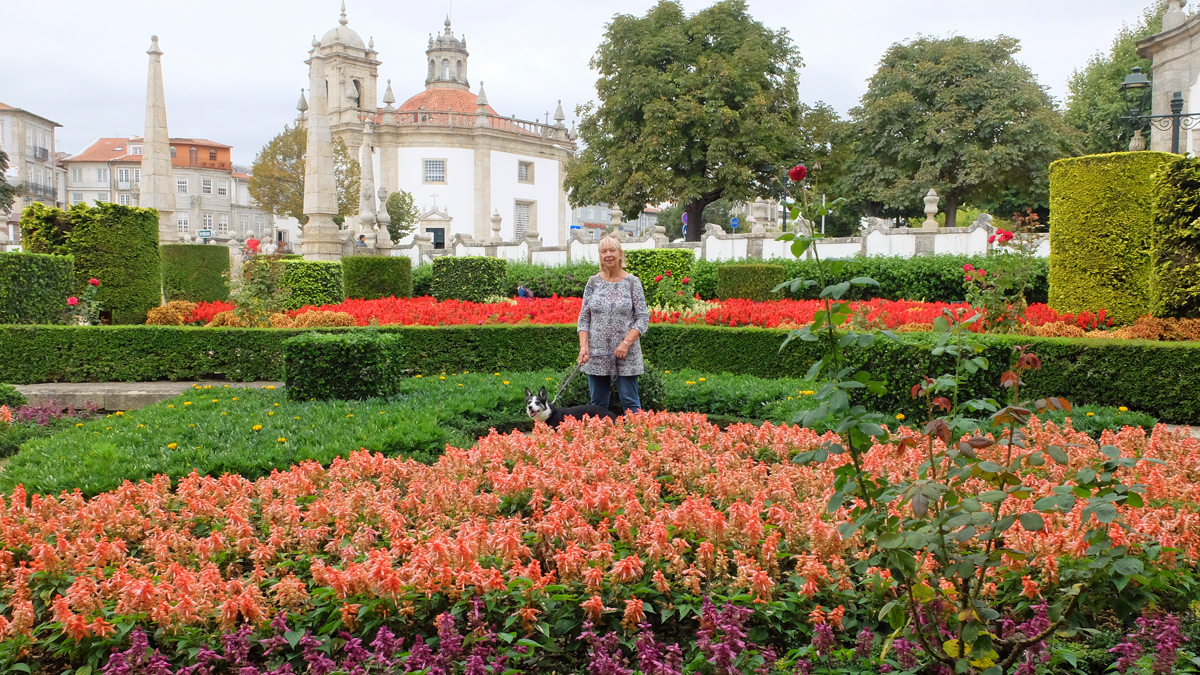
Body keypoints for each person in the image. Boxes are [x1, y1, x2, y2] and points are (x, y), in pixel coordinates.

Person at [576, 234, 650, 413]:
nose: (608, 254)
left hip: (626, 353)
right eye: (604, 251)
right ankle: (602, 433)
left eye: (612, 250)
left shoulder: (633, 282)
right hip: (597, 354)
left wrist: (626, 343)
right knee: (597, 406)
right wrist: (584, 347)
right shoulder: (593, 282)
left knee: (631, 403)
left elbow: (643, 318)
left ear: (620, 254)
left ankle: (636, 431)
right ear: (600, 256)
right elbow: (584, 318)